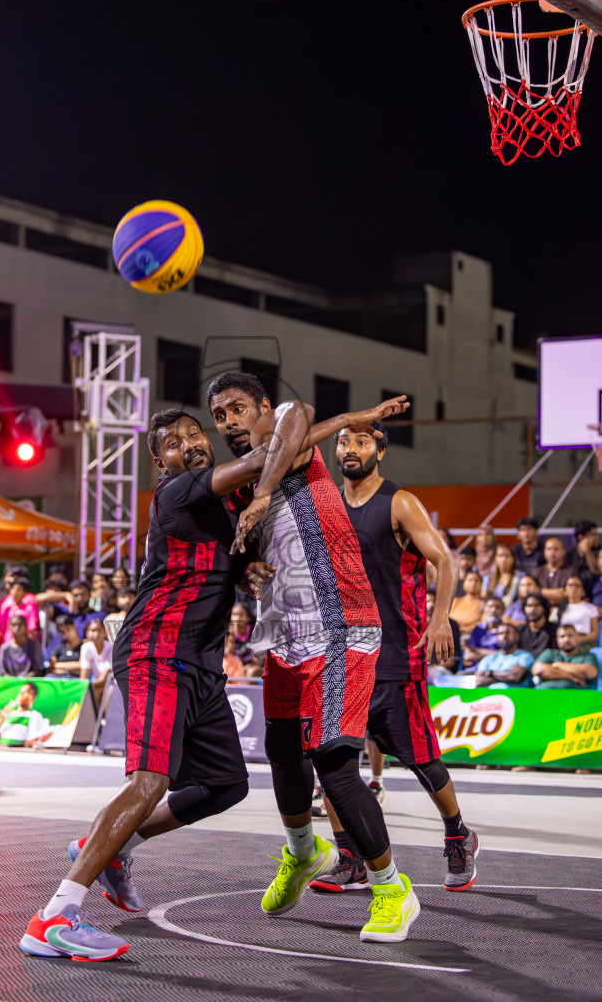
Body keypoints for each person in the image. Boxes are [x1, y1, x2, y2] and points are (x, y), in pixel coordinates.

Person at [19, 399, 322, 961]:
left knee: (227, 784)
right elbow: (276, 448)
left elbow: (233, 555)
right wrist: (333, 421)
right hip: (157, 653)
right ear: (162, 463)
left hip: (201, 666)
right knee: (149, 781)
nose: (192, 443)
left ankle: (108, 846)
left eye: (194, 434)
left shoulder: (225, 515)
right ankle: (53, 918)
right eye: (175, 442)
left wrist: (249, 570)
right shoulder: (178, 492)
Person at [209, 372, 421, 944]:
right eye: (219, 414)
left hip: (342, 624)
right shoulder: (237, 482)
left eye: (236, 408)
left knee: (333, 762)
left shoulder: (288, 433)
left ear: (263, 407)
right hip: (285, 630)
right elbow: (245, 548)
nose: (227, 421)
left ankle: (391, 889)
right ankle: (303, 852)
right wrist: (246, 566)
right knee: (281, 748)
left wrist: (260, 496)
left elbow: (300, 416)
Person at [307, 420, 479, 895]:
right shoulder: (329, 504)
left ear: (379, 451)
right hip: (341, 654)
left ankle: (458, 834)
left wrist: (440, 618)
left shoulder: (399, 503)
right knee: (333, 760)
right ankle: (350, 857)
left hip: (396, 654)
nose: (350, 448)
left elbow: (444, 560)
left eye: (362, 441)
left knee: (421, 758)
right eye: (343, 441)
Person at [532, 625, 600, 690]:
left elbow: (590, 673)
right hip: (546, 697)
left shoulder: (588, 656)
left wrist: (558, 665)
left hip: (578, 698)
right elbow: (538, 669)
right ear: (557, 640)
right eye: (562, 636)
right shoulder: (550, 653)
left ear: (577, 637)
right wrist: (570, 677)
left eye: (570, 636)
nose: (566, 639)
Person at [475, 623, 535, 689]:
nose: (504, 636)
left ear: (517, 636)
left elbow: (515, 676)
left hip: (516, 697)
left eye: (508, 632)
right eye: (500, 633)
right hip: (490, 697)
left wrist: (489, 673)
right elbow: (479, 681)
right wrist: (506, 676)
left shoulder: (525, 656)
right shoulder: (488, 659)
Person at [426, 590, 461, 679]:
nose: (431, 605)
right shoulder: (415, 624)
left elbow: (453, 658)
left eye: (435, 602)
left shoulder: (451, 625)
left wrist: (431, 668)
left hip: (441, 670)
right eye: (427, 601)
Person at [556, 576, 600, 647]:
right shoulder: (559, 609)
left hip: (584, 643)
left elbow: (595, 635)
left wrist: (579, 639)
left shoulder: (591, 608)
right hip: (565, 643)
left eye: (577, 585)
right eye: (570, 585)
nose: (573, 588)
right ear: (565, 589)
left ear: (583, 590)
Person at [462, 597, 505, 669]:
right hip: (475, 669)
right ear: (484, 609)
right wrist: (495, 653)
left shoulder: (506, 630)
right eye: (490, 606)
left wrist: (477, 650)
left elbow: (505, 655)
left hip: (497, 669)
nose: (493, 610)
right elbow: (468, 656)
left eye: (498, 607)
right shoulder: (478, 629)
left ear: (503, 611)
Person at [532, 537, 576, 607]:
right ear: (544, 551)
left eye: (556, 549)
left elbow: (567, 593)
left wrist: (540, 591)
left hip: (564, 608)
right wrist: (557, 593)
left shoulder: (571, 571)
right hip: (540, 610)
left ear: (563, 551)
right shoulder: (537, 571)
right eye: (549, 549)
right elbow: (532, 591)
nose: (552, 552)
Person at [79, 617, 113, 703]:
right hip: (96, 686)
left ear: (105, 633)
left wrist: (86, 687)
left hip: (113, 686)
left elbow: (103, 680)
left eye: (99, 631)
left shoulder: (111, 649)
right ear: (87, 633)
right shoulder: (86, 648)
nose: (96, 634)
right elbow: (83, 677)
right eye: (93, 631)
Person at [565, 520, 600, 599]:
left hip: (595, 594)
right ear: (581, 536)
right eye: (593, 535)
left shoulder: (598, 551)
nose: (596, 537)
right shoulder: (569, 554)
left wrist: (588, 551)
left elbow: (597, 571)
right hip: (575, 596)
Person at [0, 577, 39, 643]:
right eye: (13, 589)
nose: (15, 592)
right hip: (7, 642)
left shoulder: (28, 609)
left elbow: (31, 629)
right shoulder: (7, 609)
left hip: (22, 643)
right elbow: (2, 629)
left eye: (18, 590)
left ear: (24, 593)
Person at [518, 593, 558, 657]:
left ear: (544, 608)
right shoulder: (519, 630)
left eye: (536, 605)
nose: (532, 609)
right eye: (529, 606)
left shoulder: (555, 630)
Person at [449, 572, 483, 641]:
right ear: (464, 584)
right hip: (450, 633)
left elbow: (482, 623)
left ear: (481, 585)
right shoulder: (455, 601)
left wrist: (461, 630)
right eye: (470, 580)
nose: (473, 583)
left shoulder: (483, 604)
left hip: (469, 637)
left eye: (476, 580)